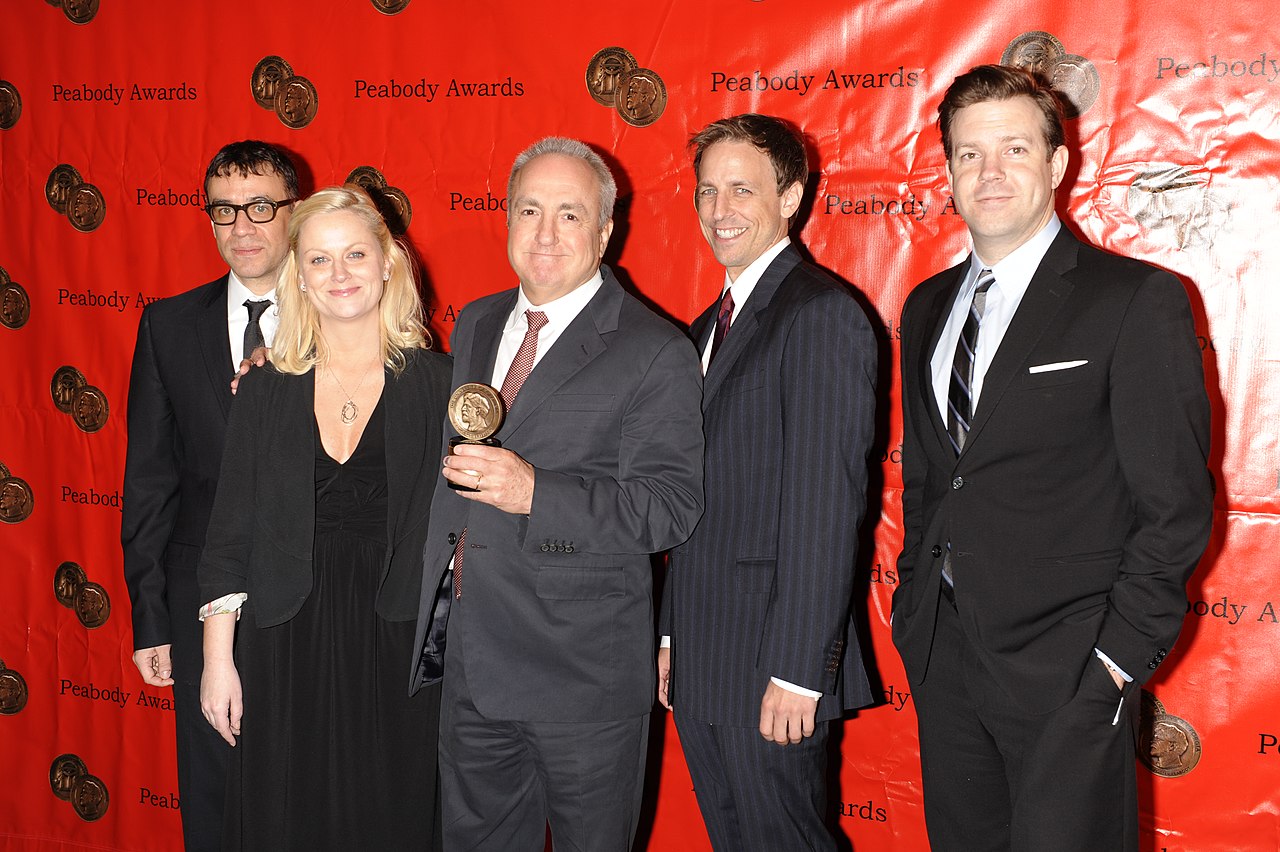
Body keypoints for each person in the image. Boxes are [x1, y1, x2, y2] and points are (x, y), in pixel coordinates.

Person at [892, 64, 1213, 851]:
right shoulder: (926, 306)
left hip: (1068, 668)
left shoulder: (1133, 300)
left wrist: (1111, 662)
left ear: (1058, 163)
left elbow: (1175, 505)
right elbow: (935, 478)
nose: (989, 172)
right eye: (969, 154)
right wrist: (915, 616)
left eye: (1013, 149)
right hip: (945, 657)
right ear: (948, 170)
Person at [410, 136, 704, 852]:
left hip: (584, 683)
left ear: (606, 231)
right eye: (529, 210)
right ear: (506, 220)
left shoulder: (654, 348)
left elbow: (670, 505)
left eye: (569, 215)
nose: (545, 234)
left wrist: (537, 491)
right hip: (472, 670)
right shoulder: (477, 322)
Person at [199, 186, 450, 850]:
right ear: (299, 278)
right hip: (283, 637)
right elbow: (231, 531)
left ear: (388, 263)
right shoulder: (264, 388)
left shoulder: (441, 384)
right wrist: (218, 660)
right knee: (287, 816)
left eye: (355, 254)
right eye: (318, 260)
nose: (339, 275)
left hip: (398, 633)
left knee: (392, 812)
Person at [657, 113, 878, 851]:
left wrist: (799, 671)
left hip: (770, 669)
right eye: (707, 192)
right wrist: (666, 632)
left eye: (743, 190)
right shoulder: (700, 332)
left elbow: (826, 508)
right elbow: (684, 501)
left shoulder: (820, 316)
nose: (720, 212)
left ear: (791, 196)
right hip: (701, 654)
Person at [121, 139, 298, 852]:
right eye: (224, 211)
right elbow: (149, 481)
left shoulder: (346, 316)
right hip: (198, 607)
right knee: (216, 802)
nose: (242, 227)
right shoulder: (168, 324)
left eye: (260, 206)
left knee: (311, 793)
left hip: (314, 599)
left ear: (294, 212)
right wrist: (150, 615)